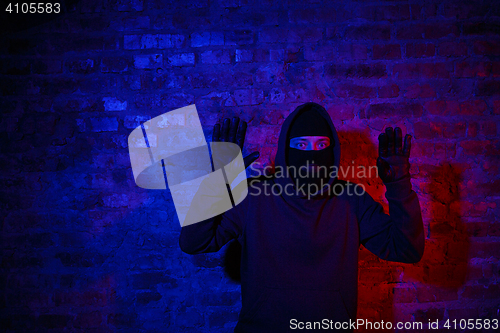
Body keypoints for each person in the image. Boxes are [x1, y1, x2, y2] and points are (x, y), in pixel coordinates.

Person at [179, 102, 425, 332]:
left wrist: (399, 184)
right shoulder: (254, 195)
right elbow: (194, 241)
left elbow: (406, 250)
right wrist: (216, 183)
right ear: (286, 150)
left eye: (320, 145)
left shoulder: (352, 200)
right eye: (301, 145)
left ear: (332, 151)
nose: (311, 156)